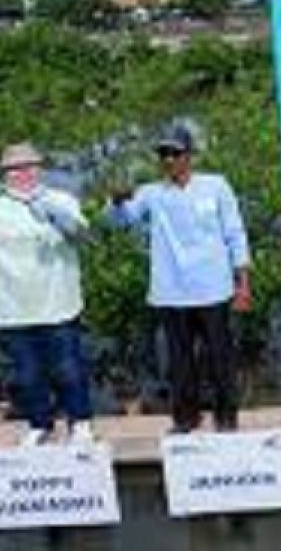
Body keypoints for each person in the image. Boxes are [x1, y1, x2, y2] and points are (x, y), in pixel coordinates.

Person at [106, 124, 252, 433]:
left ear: (190, 156)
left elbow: (235, 234)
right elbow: (121, 221)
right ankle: (186, 420)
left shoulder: (216, 186)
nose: (169, 159)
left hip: (214, 290)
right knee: (179, 363)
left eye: (175, 153)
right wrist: (116, 202)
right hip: (170, 293)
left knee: (220, 360)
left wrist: (243, 283)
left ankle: (227, 419)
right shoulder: (151, 193)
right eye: (163, 154)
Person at [0, 142, 94, 446]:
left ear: (40, 168)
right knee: (26, 376)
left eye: (30, 166)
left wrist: (60, 219)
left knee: (68, 370)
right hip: (11, 311)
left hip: (59, 306)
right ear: (4, 174)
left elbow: (83, 235)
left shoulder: (61, 199)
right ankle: (39, 424)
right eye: (15, 168)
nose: (23, 173)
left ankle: (80, 421)